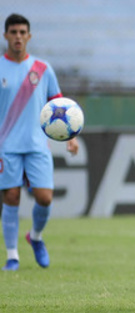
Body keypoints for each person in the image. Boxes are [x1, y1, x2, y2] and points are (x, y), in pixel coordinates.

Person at [0, 13, 79, 271]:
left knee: (44, 198)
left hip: (36, 145)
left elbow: (61, 106)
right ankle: (12, 256)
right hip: (6, 145)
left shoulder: (42, 69)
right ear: (6, 36)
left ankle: (34, 237)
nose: (18, 37)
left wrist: (71, 138)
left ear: (29, 36)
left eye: (23, 32)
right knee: (11, 196)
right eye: (13, 32)